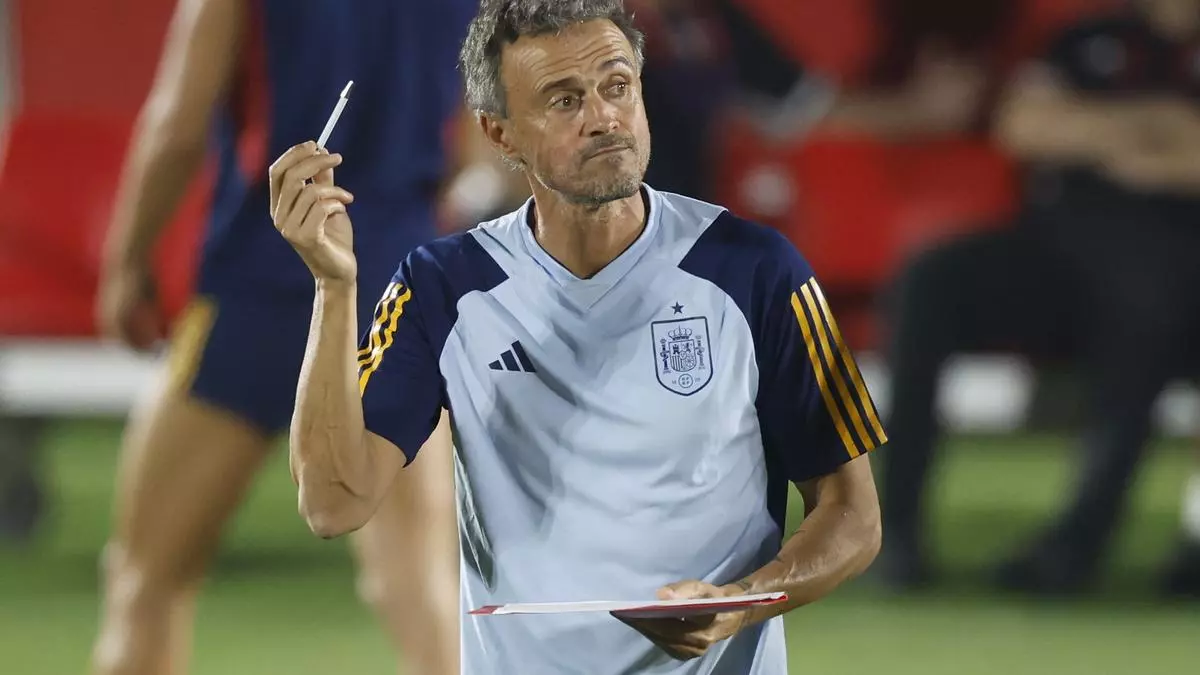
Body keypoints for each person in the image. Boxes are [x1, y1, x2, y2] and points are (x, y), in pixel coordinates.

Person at [270, 1, 885, 672]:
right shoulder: (444, 288)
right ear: (500, 134)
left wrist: (742, 602)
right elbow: (332, 501)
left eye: (617, 86)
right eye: (564, 100)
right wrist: (333, 285)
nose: (603, 117)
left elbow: (853, 516)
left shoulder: (755, 272)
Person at [89, 1, 472, 673]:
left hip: (258, 283)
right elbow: (463, 147)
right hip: (393, 286)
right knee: (419, 586)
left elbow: (178, 125)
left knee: (146, 577)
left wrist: (127, 263)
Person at [878, 0, 1200, 594]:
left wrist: (1091, 131)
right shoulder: (1090, 37)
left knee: (1149, 304)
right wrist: (1157, 126)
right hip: (1057, 249)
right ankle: (889, 534)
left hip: (1172, 260)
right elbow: (1023, 124)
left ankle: (1070, 552)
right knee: (931, 280)